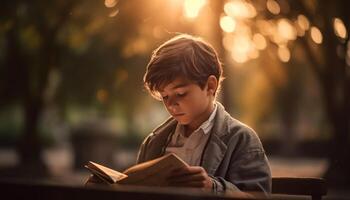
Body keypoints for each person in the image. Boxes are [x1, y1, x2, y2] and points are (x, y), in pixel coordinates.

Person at [138, 34, 271, 195]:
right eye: (164, 96)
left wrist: (213, 188)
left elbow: (258, 195)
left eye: (180, 93)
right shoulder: (153, 143)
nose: (171, 104)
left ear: (210, 86)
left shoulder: (242, 140)